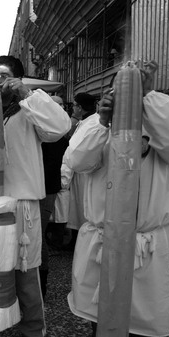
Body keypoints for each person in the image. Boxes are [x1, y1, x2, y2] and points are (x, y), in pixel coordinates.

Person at [67, 62, 169, 337]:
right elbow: (78, 160)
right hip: (105, 235)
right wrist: (105, 121)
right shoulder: (96, 123)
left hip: (144, 237)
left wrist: (147, 98)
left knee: (144, 311)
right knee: (101, 307)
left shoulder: (160, 124)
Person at [0, 55, 70, 337]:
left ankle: (33, 335)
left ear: (19, 79)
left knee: (26, 275)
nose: (0, 82)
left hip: (22, 205)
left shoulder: (29, 108)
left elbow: (60, 127)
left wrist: (26, 95)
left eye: (6, 76)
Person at [39, 95, 70, 298]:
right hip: (39, 186)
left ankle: (41, 284)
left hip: (45, 188)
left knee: (37, 236)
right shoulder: (43, 128)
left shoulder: (57, 133)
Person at [62, 93, 97, 251]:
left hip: (86, 173)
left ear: (81, 108)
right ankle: (76, 239)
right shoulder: (85, 122)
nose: (73, 108)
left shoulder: (93, 123)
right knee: (78, 208)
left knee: (84, 209)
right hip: (79, 173)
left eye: (74, 105)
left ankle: (81, 242)